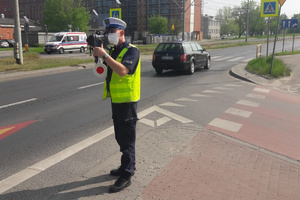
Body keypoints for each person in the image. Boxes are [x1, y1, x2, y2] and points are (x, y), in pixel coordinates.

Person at [93, 17, 141, 193]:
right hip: (117, 101)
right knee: (120, 137)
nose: (109, 35)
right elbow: (107, 69)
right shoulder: (115, 50)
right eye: (107, 33)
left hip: (127, 102)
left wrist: (104, 55)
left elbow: (122, 70)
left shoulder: (132, 51)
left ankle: (126, 175)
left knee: (127, 140)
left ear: (121, 33)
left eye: (112, 32)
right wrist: (99, 57)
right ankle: (126, 167)